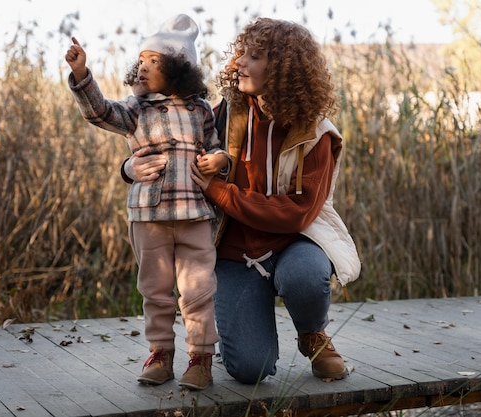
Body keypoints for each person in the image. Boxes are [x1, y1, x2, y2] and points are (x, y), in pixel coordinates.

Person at [123, 17, 361, 384]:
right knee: (251, 369)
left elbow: (298, 214)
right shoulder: (223, 114)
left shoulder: (317, 133)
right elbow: (168, 143)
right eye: (241, 55)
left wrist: (219, 191)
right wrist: (129, 168)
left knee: (304, 277)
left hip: (295, 244)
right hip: (234, 252)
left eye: (254, 57)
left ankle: (313, 335)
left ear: (284, 68)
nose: (238, 64)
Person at [65, 14, 229, 390]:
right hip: (149, 215)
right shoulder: (135, 109)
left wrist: (221, 160)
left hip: (194, 214)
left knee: (198, 290)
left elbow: (216, 147)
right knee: (155, 289)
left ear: (177, 69)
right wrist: (81, 74)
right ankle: (160, 354)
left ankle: (200, 357)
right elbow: (99, 112)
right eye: (141, 60)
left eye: (154, 61)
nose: (143, 67)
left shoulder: (201, 109)